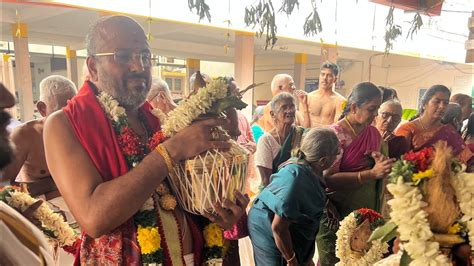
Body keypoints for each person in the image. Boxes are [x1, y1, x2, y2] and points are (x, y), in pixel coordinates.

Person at [43, 15, 248, 265]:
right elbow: (94, 217)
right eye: (123, 56)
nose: (138, 66)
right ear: (93, 66)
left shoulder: (157, 119)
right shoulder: (64, 124)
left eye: (145, 56)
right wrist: (171, 151)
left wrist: (220, 213)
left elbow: (185, 197)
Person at [316, 82, 395, 265]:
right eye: (371, 109)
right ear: (353, 107)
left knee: (362, 258)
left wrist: (382, 165)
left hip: (366, 208)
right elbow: (328, 178)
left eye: (377, 109)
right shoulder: (334, 135)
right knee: (334, 258)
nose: (375, 115)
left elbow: (379, 168)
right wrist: (370, 173)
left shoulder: (374, 134)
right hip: (336, 210)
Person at [248, 128, 339, 266]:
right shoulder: (295, 179)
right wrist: (291, 260)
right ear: (323, 161)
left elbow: (308, 191)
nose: (338, 155)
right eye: (336, 153)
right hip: (267, 224)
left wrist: (326, 204)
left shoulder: (308, 165)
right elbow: (278, 228)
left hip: (283, 221)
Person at [0, 83, 55, 265]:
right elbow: (6, 187)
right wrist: (59, 182)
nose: (9, 98)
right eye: (62, 111)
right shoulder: (25, 134)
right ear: (42, 109)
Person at [396, 85, 473, 164]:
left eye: (445, 103)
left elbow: (465, 160)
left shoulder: (449, 132)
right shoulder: (408, 129)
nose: (442, 106)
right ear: (424, 104)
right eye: (437, 101)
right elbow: (397, 161)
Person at [255, 93, 305, 188]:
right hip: (275, 192)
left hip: (300, 189)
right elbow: (266, 180)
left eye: (292, 107)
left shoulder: (302, 134)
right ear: (273, 114)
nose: (289, 111)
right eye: (284, 107)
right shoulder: (266, 141)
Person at [298, 62, 346, 127]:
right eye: (322, 74)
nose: (325, 78)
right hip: (308, 135)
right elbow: (303, 126)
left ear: (335, 79)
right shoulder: (307, 98)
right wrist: (304, 106)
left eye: (329, 75)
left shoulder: (340, 101)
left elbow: (337, 127)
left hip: (327, 136)